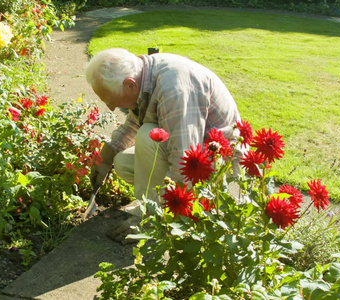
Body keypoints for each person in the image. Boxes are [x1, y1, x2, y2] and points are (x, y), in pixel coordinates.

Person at [86, 48, 241, 242]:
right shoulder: (145, 74)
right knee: (123, 162)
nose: (110, 107)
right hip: (189, 148)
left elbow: (185, 160)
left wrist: (151, 218)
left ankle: (155, 215)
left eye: (109, 99)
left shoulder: (173, 89)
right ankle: (151, 201)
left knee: (147, 136)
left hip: (213, 165)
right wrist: (105, 158)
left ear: (129, 85)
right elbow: (136, 120)